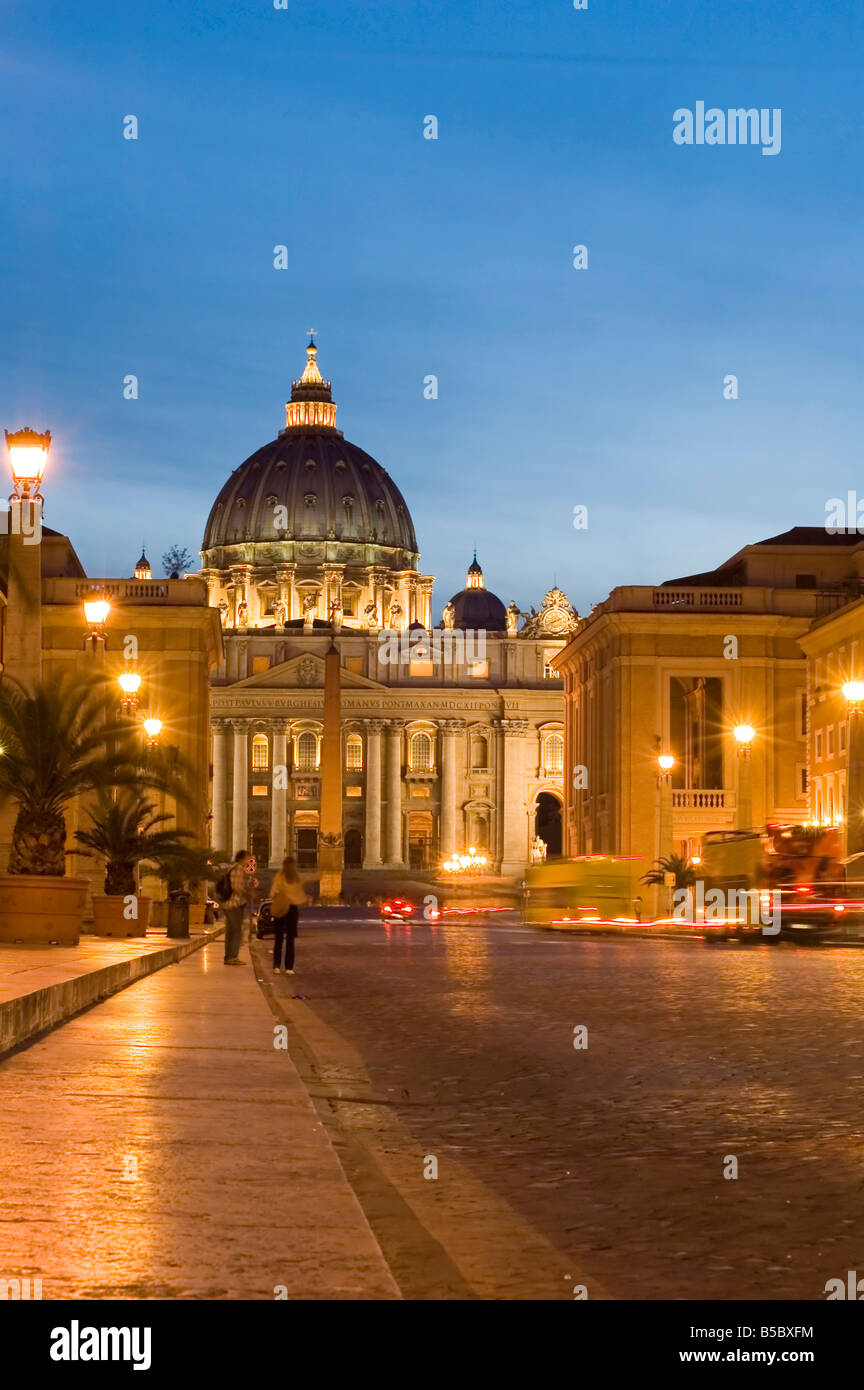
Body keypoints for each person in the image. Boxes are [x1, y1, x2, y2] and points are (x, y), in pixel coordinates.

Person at [269, 856, 307, 974]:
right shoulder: (296, 879)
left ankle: (276, 966)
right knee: (290, 939)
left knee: (279, 939)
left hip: (280, 908)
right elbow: (300, 896)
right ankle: (289, 968)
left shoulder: (279, 877)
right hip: (292, 909)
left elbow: (273, 893)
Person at [223, 849, 253, 965]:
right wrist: (247, 894)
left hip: (227, 903)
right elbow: (237, 887)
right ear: (241, 858)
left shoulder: (231, 867)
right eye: (247, 858)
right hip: (234, 903)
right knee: (236, 931)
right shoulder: (239, 869)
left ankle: (228, 956)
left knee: (230, 931)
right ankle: (233, 957)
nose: (248, 860)